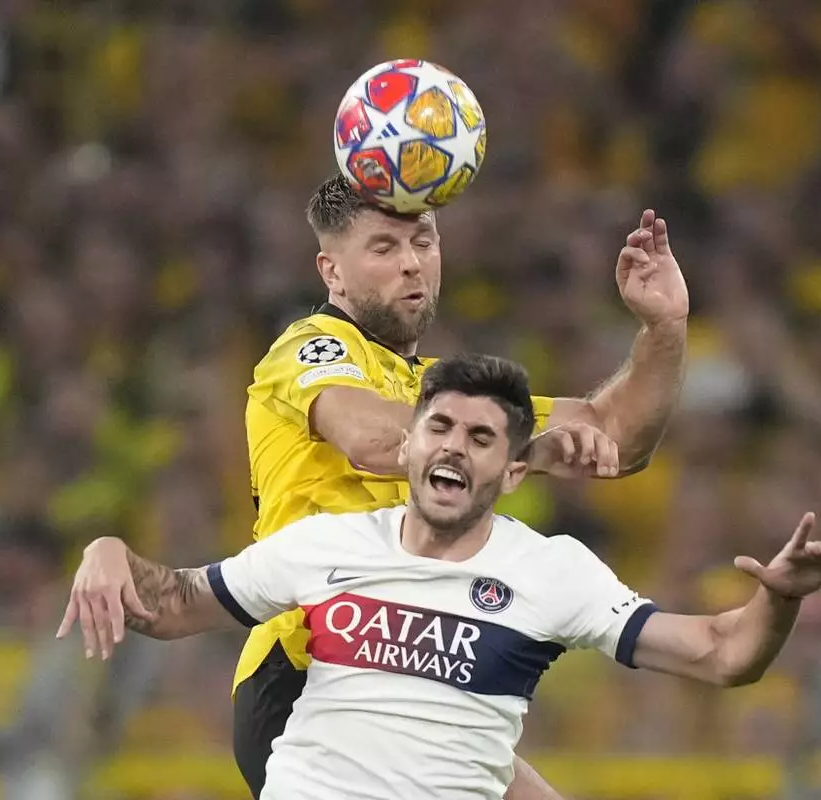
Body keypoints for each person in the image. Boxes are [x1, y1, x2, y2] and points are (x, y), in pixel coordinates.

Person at [71, 174, 691, 799]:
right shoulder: (311, 348)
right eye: (384, 247)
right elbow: (369, 439)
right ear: (331, 270)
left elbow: (616, 438)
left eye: (423, 242)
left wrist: (663, 330)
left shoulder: (444, 395)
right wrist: (517, 446)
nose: (411, 264)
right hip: (313, 668)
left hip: (418, 667)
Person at [59, 353, 821, 800]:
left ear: (514, 471)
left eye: (481, 438)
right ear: (407, 446)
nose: (453, 445)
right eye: (438, 425)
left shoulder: (549, 573)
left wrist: (778, 599)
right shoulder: (325, 546)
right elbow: (175, 604)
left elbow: (724, 654)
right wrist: (107, 552)